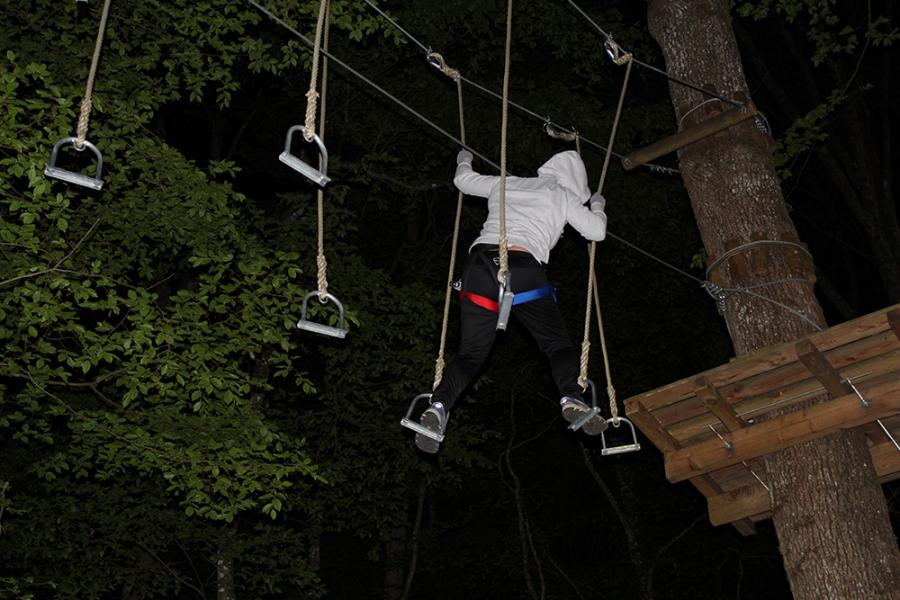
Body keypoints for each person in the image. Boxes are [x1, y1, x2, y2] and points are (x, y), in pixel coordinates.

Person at [415, 149, 609, 453]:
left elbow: (463, 181)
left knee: (471, 355)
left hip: (479, 269)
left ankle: (438, 406)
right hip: (523, 271)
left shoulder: (506, 182)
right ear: (574, 185)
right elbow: (596, 231)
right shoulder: (562, 194)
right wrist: (597, 207)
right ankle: (571, 397)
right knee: (556, 346)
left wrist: (464, 158)